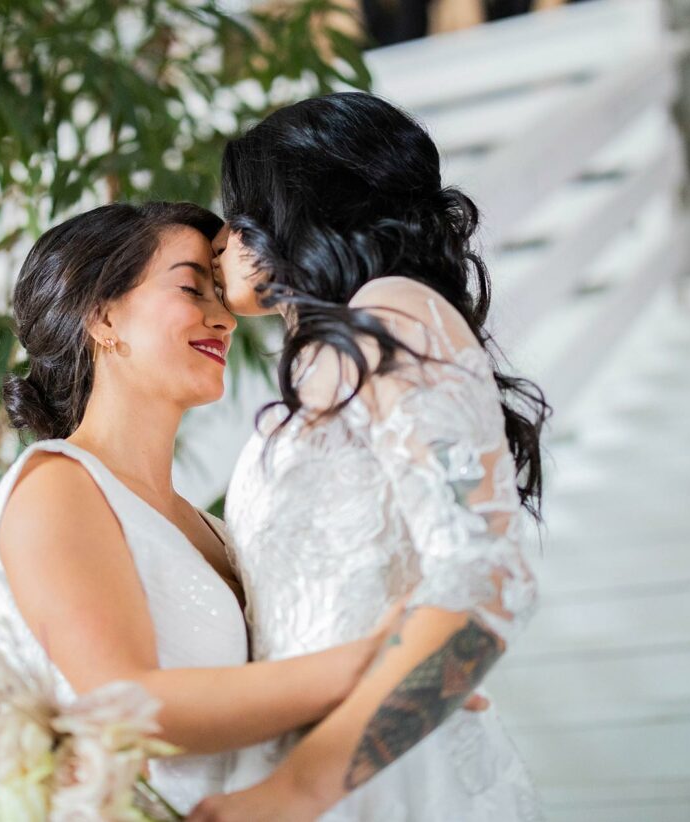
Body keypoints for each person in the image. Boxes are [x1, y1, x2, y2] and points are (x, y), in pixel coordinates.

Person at [190, 91, 550, 821]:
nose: (219, 241)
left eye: (240, 214)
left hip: (381, 778)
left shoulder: (393, 312)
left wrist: (293, 792)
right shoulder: (331, 356)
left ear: (294, 212)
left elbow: (487, 575)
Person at [0, 201, 403, 814]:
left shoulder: (212, 527)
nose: (224, 321)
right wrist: (375, 662)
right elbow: (124, 707)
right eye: (191, 288)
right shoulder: (57, 487)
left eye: (221, 297)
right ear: (101, 315)